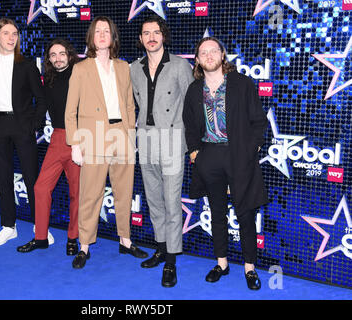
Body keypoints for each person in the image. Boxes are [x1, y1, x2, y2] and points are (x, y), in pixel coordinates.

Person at [182, 36, 269, 290]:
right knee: (216, 212)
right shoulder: (194, 90)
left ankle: (250, 268)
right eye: (203, 52)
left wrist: (250, 151)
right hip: (209, 156)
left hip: (239, 156)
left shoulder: (241, 84)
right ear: (197, 60)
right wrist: (195, 153)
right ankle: (221, 263)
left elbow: (259, 122)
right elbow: (189, 125)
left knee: (245, 214)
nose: (208, 55)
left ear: (222, 55)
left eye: (213, 51)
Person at [65, 16, 148, 269]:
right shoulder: (80, 68)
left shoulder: (124, 67)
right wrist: (76, 144)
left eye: (106, 31)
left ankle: (125, 240)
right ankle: (85, 246)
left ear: (113, 37)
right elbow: (71, 111)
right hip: (93, 138)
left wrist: (131, 134)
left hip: (121, 136)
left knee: (124, 192)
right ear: (91, 37)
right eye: (97, 30)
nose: (102, 34)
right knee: (91, 195)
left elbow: (130, 105)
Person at [130, 15, 194, 287]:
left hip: (171, 140)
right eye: (146, 33)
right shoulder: (134, 67)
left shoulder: (180, 65)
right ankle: (160, 246)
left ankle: (171, 259)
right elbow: (136, 103)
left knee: (171, 201)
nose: (152, 37)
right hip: (145, 140)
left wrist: (191, 145)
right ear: (141, 38)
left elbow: (192, 106)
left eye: (156, 32)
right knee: (153, 199)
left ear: (164, 36)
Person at [0, 18, 47, 246]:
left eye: (14, 34)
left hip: (22, 126)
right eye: (6, 33)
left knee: (31, 177)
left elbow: (42, 98)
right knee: (4, 178)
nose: (10, 38)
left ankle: (40, 227)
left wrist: (34, 124)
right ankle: (8, 226)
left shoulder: (27, 65)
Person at [17, 39, 80, 255]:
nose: (58, 58)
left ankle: (73, 238)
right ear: (49, 59)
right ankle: (41, 237)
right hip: (57, 138)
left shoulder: (80, 75)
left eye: (62, 53)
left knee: (77, 193)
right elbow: (40, 104)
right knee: (40, 188)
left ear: (70, 55)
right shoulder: (48, 80)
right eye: (53, 55)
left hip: (78, 139)